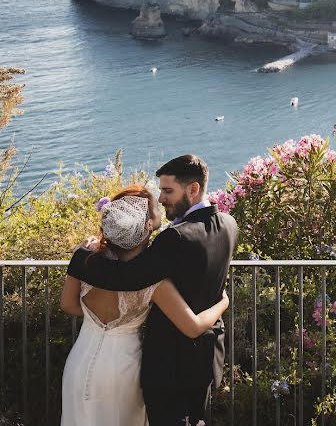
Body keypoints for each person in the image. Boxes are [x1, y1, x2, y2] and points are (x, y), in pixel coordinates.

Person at [67, 155, 239, 426]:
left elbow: (126, 277)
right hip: (207, 356)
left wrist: (79, 258)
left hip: (168, 367)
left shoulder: (176, 237)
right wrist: (222, 303)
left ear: (193, 189)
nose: (161, 198)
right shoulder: (229, 225)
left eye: (168, 191)